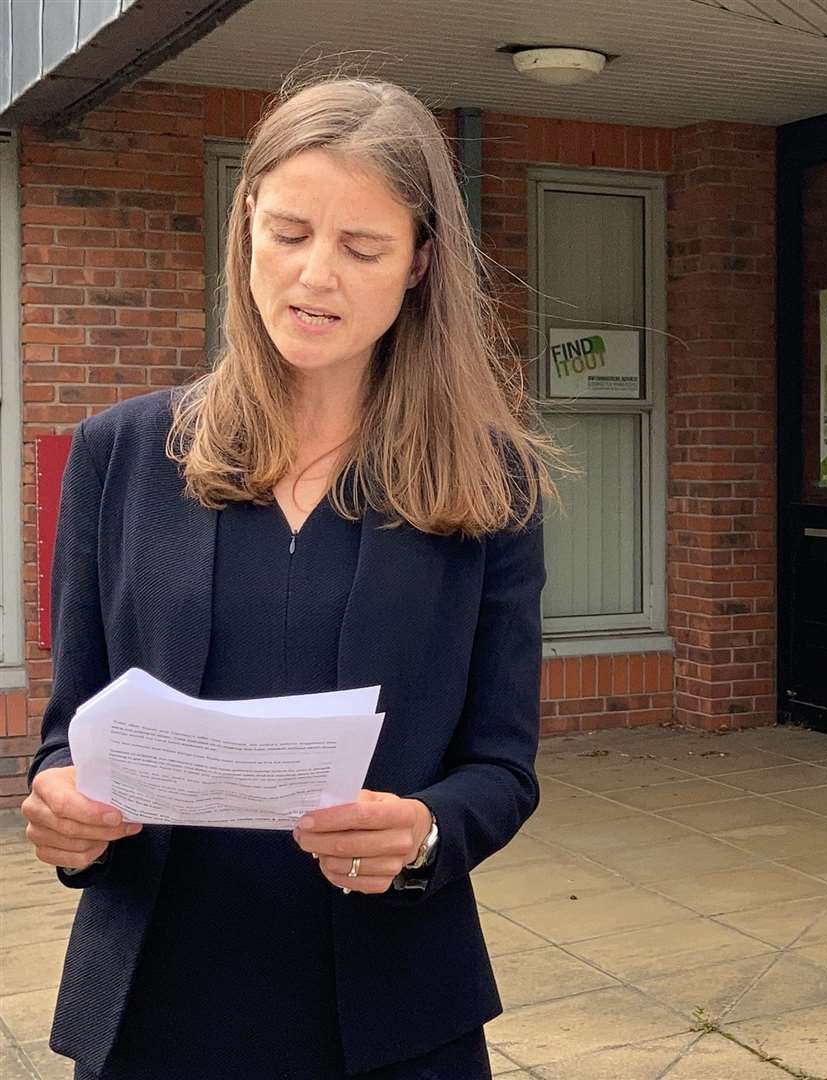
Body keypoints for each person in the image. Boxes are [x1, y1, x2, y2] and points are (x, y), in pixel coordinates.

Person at [20, 76, 556, 1079]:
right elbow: (73, 724)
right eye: (291, 232)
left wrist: (429, 829)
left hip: (395, 1010)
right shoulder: (119, 455)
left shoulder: (492, 483)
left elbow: (503, 766)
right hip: (156, 999)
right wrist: (61, 803)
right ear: (246, 225)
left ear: (419, 266)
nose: (316, 276)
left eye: (363, 248)